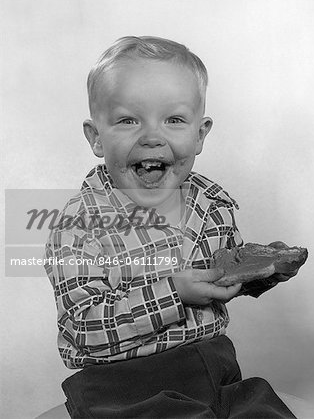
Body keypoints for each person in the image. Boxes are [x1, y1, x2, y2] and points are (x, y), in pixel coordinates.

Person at [44, 36, 297, 418]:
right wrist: (173, 293)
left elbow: (223, 279)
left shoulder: (213, 206)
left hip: (216, 367)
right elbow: (83, 329)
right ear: (96, 137)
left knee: (262, 406)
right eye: (128, 120)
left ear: (200, 134)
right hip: (124, 387)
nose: (152, 136)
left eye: (174, 120)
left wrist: (264, 271)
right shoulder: (79, 225)